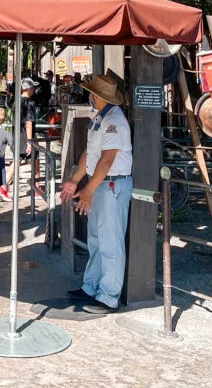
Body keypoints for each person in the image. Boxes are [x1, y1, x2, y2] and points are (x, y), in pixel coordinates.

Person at [60, 74, 132, 312]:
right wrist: (75, 181)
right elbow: (89, 155)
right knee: (97, 239)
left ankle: (109, 296)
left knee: (110, 241)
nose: (90, 97)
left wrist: (87, 189)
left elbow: (106, 161)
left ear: (102, 97)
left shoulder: (114, 121)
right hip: (101, 184)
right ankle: (91, 287)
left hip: (111, 185)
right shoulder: (100, 119)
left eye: (93, 94)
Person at [6, 77, 38, 192]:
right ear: (29, 88)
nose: (34, 89)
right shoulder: (29, 103)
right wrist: (29, 141)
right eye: (33, 87)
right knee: (18, 161)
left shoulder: (17, 101)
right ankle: (4, 185)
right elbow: (29, 123)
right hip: (25, 136)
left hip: (17, 134)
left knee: (34, 159)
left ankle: (37, 185)